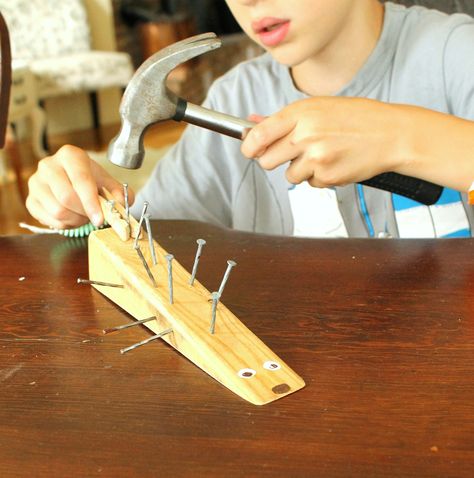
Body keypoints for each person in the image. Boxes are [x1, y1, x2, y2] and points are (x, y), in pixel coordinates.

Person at [26, 0, 474, 238]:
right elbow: (150, 241)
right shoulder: (235, 97)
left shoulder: (457, 54)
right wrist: (87, 206)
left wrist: (404, 137)